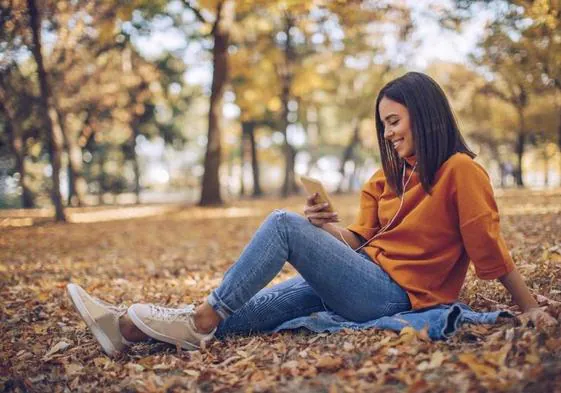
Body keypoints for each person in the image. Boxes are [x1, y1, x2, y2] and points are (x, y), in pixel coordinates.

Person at [67, 72, 556, 357]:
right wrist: (323, 227)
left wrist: (529, 306)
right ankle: (127, 330)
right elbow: (359, 241)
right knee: (243, 316)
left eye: (394, 121)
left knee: (282, 224)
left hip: (397, 297)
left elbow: (489, 249)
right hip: (360, 282)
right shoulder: (385, 179)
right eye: (382, 124)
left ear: (424, 115)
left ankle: (198, 315)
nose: (387, 133)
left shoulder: (460, 172)